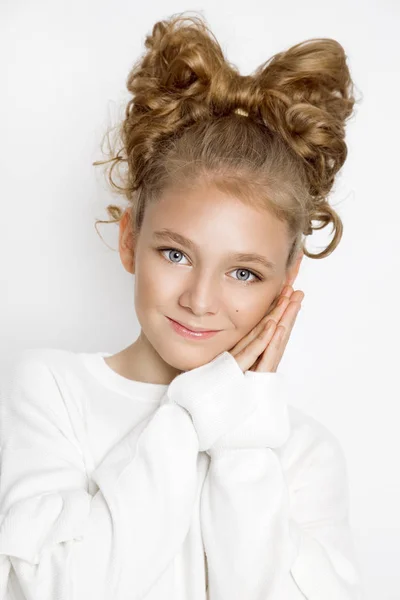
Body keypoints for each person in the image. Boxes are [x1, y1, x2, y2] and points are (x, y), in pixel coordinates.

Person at [0, 11, 363, 600]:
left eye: (243, 272)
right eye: (175, 254)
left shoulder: (300, 452)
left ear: (287, 282)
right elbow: (65, 589)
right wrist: (192, 413)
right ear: (129, 240)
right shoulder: (52, 391)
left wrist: (242, 431)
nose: (199, 300)